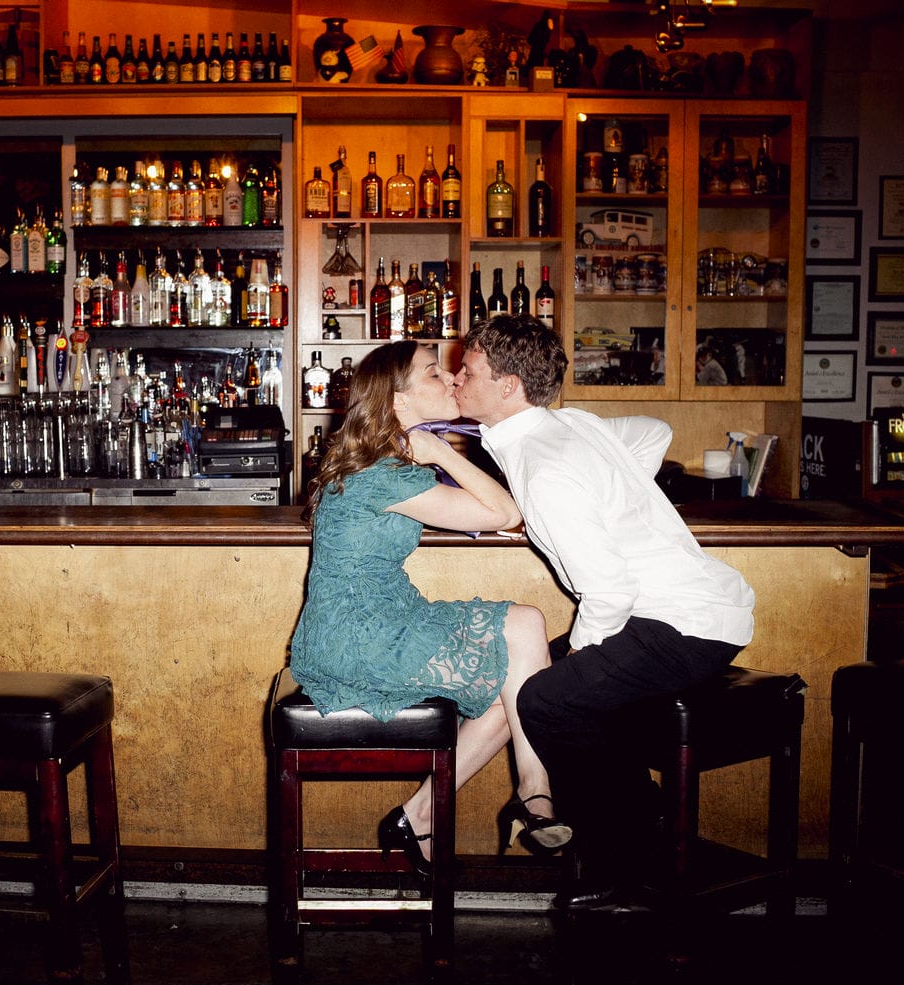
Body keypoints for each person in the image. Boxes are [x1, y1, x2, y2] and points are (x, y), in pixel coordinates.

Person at [452, 314, 755, 907]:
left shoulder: (546, 466)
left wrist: (582, 502)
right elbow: (653, 431)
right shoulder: (569, 424)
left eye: (469, 369)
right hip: (681, 613)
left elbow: (609, 592)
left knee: (546, 699)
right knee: (531, 673)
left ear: (509, 385)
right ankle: (641, 824)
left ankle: (621, 863)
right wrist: (608, 497)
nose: (458, 377)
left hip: (683, 628)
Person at [288, 339, 570, 875]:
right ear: (398, 401)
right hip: (358, 635)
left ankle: (419, 815)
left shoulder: (383, 463)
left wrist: (437, 452)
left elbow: (488, 511)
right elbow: (504, 511)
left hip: (371, 620)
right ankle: (535, 792)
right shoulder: (384, 474)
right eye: (434, 374)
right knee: (526, 629)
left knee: (515, 689)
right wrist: (440, 450)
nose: (450, 380)